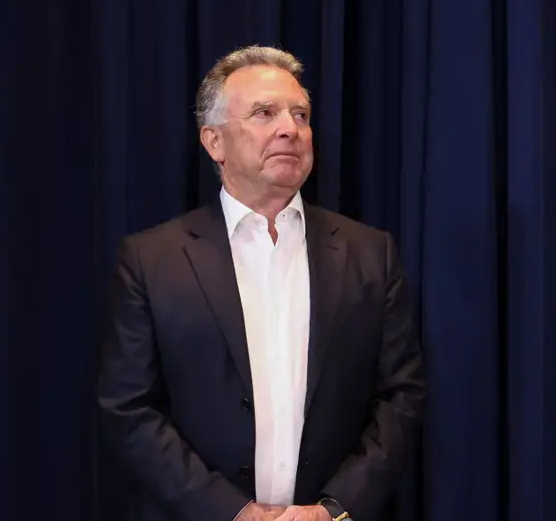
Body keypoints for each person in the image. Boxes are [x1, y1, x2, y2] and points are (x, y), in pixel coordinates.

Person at [97, 46, 425, 521]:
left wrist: (334, 509)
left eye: (301, 114)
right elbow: (128, 408)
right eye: (264, 113)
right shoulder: (153, 260)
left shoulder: (370, 253)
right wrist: (232, 512)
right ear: (214, 142)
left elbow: (401, 396)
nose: (290, 128)